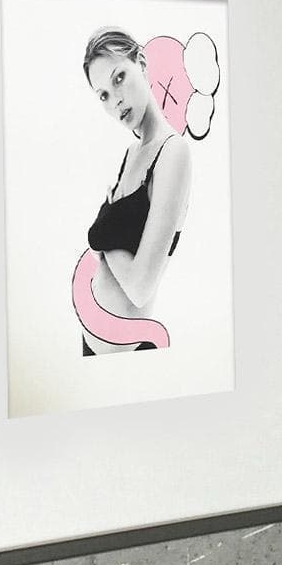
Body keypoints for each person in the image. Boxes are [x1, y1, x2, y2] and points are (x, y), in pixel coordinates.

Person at [79, 27, 192, 355]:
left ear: (141, 63)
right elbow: (107, 251)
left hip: (131, 353)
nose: (115, 100)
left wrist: (101, 237)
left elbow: (140, 288)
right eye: (103, 95)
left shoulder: (173, 151)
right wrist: (103, 239)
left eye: (119, 78)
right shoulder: (130, 153)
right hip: (92, 345)